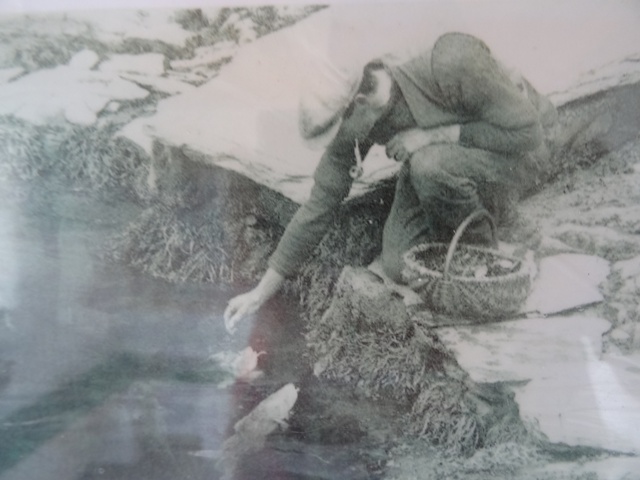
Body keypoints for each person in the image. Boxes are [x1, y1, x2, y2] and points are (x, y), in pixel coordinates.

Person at [224, 32, 557, 332]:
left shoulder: (449, 60)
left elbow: (528, 134)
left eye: (336, 132)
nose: (335, 144)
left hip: (516, 154)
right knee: (400, 264)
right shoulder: (361, 114)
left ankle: (482, 262)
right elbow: (320, 203)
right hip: (451, 165)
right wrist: (258, 293)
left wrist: (434, 135)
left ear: (359, 103)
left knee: (429, 165)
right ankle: (469, 224)